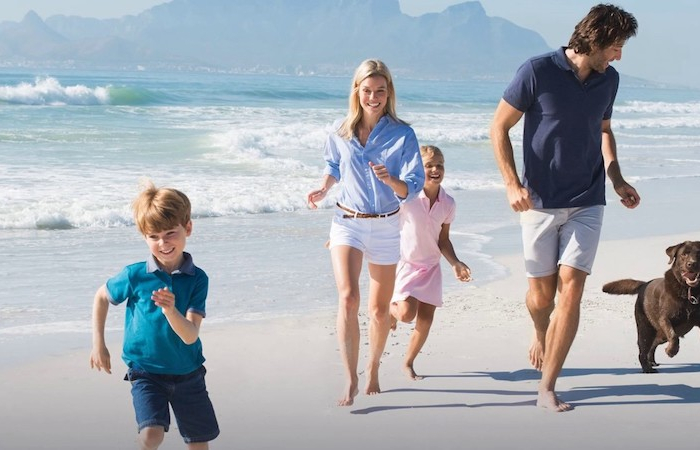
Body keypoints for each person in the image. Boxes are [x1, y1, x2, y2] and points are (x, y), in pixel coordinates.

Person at [490, 4, 639, 412]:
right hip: (539, 201)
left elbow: (604, 132)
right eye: (615, 46)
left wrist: (617, 178)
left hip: (588, 200)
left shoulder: (610, 80)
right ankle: (542, 331)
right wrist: (511, 184)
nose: (618, 55)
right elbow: (498, 127)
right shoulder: (536, 71)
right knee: (542, 296)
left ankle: (547, 387)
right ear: (593, 39)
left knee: (572, 288)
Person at [307, 59, 425, 406]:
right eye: (367, 90)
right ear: (356, 91)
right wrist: (324, 187)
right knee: (348, 297)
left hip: (387, 226)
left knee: (377, 311)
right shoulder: (339, 130)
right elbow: (333, 166)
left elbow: (414, 185)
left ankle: (373, 367)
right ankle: (350, 377)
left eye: (380, 91)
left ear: (389, 93)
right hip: (347, 222)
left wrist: (391, 180)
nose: (373, 97)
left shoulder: (403, 134)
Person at [90, 181, 219, 449]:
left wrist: (171, 310)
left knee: (198, 443)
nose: (163, 243)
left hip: (188, 372)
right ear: (144, 236)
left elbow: (190, 336)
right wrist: (98, 344)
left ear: (188, 228)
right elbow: (102, 296)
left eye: (170, 233)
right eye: (153, 236)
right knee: (151, 434)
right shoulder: (135, 274)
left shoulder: (198, 279)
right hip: (146, 370)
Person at [390, 145, 472, 380]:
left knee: (424, 322)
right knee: (406, 314)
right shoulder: (408, 197)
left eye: (440, 165)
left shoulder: (448, 203)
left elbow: (443, 240)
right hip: (407, 264)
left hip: (431, 268)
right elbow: (381, 218)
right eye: (429, 165)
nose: (436, 169)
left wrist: (455, 263)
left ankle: (408, 363)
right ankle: (388, 311)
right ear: (418, 168)